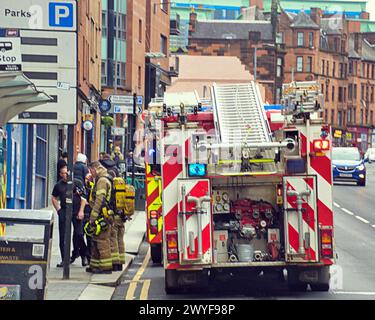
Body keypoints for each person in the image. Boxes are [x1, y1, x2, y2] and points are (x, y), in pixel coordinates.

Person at [85, 161, 113, 274]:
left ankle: (106, 268)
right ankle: (95, 266)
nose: (90, 173)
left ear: (95, 169)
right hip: (102, 214)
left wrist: (93, 217)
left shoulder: (102, 181)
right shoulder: (100, 179)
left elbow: (99, 201)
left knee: (102, 242)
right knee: (96, 241)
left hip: (102, 215)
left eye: (91, 171)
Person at [51, 166, 69, 267]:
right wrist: (58, 209)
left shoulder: (75, 183)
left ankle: (83, 256)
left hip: (75, 213)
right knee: (62, 236)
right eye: (63, 173)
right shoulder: (58, 185)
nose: (65, 175)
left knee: (78, 235)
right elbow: (53, 198)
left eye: (67, 173)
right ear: (60, 174)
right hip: (64, 211)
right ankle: (64, 259)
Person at [70, 178, 89, 267]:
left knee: (80, 234)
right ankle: (82, 254)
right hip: (73, 212)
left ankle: (81, 255)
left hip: (85, 212)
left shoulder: (79, 182)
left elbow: (84, 197)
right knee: (77, 235)